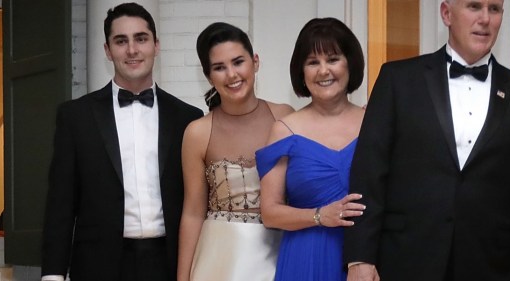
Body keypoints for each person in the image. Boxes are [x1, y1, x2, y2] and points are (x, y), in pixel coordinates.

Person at [344, 0, 510, 280]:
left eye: (494, 9)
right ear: (446, 13)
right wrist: (360, 258)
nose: (485, 18)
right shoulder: (397, 80)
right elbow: (369, 175)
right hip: (405, 261)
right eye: (474, 6)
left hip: (493, 266)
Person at [41, 3, 203, 281]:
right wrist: (53, 275)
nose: (132, 50)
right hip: (97, 266)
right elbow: (60, 203)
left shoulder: (188, 118)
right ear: (107, 50)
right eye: (121, 41)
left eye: (141, 38)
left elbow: (198, 203)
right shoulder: (75, 117)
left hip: (169, 264)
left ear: (156, 45)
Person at [177, 22, 294, 281]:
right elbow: (193, 213)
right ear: (209, 76)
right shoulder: (197, 132)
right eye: (219, 67)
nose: (231, 74)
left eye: (238, 62)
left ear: (255, 62)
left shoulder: (285, 117)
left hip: (278, 255)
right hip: (220, 260)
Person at [256, 18, 366, 281]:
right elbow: (269, 213)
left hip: (365, 259)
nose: (323, 70)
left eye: (333, 59)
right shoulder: (284, 130)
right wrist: (319, 216)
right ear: (301, 72)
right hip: (305, 259)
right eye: (313, 62)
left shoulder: (374, 123)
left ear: (350, 63)